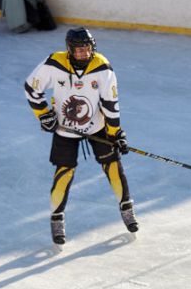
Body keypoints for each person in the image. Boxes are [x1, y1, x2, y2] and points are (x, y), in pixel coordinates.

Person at [24, 27, 137, 247]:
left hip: (96, 126)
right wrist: (44, 115)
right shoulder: (54, 63)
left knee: (113, 165)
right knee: (64, 172)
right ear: (69, 50)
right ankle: (57, 218)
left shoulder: (102, 67)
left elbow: (110, 104)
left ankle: (126, 208)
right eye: (79, 50)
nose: (84, 54)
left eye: (87, 49)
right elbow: (31, 88)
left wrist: (115, 133)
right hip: (65, 129)